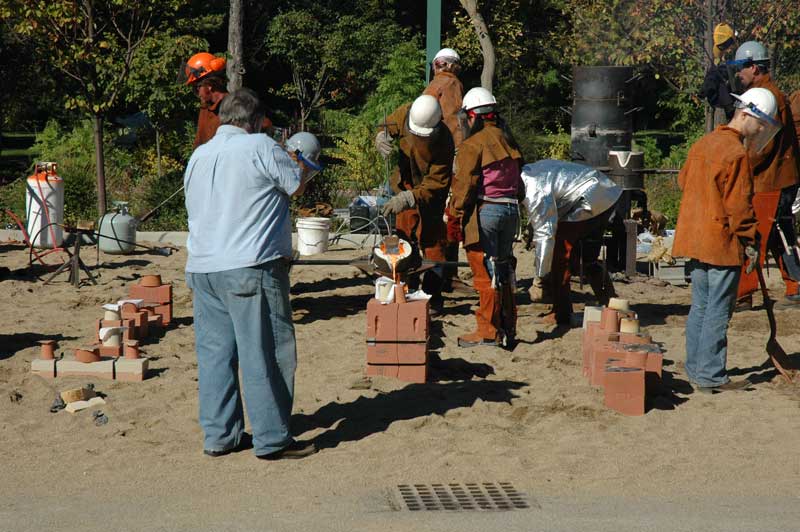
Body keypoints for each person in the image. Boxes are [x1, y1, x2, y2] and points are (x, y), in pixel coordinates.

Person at [183, 88, 318, 460]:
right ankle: (272, 438)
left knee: (215, 355)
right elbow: (295, 184)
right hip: (250, 265)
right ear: (256, 121)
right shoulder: (260, 145)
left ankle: (221, 436)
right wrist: (303, 162)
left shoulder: (200, 154)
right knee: (267, 351)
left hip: (203, 268)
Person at [671, 88, 774, 392]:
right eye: (760, 124)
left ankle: (695, 368)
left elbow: (683, 181)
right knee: (718, 308)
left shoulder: (704, 143)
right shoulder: (736, 153)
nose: (760, 131)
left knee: (700, 306)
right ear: (747, 115)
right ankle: (711, 375)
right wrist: (751, 239)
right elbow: (739, 207)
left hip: (696, 239)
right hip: (721, 243)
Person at [449, 88, 524, 347]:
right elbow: (520, 184)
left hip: (487, 211)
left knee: (484, 273)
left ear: (473, 116)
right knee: (502, 269)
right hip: (511, 211)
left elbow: (465, 184)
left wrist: (454, 214)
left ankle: (488, 332)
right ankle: (508, 327)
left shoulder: (474, 143)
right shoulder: (509, 140)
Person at [729, 41, 800, 309]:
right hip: (779, 178)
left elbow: (762, 146)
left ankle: (743, 294)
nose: (738, 74)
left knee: (755, 235)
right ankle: (795, 286)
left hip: (770, 180)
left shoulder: (767, 97)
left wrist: (738, 165)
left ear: (755, 67)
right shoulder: (767, 93)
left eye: (741, 68)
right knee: (779, 234)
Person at [376, 94, 454, 310]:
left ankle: (432, 295)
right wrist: (381, 136)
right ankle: (401, 287)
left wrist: (409, 197)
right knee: (400, 237)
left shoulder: (444, 140)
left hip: (430, 194)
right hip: (405, 182)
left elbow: (436, 182)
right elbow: (385, 125)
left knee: (433, 243)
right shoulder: (406, 113)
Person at [521, 160, 621, 326]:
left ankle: (562, 313)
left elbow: (545, 234)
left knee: (559, 255)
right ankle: (611, 305)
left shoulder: (533, 188)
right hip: (606, 192)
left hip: (589, 196)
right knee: (587, 258)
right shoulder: (529, 171)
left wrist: (540, 279)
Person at [424, 48, 465, 292]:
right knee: (450, 214)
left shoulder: (440, 84)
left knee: (445, 215)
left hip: (441, 156)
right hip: (451, 157)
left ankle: (446, 274)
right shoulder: (451, 85)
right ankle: (446, 273)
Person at [183, 52, 273, 149]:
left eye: (196, 88)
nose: (197, 93)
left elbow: (266, 125)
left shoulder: (236, 104)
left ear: (208, 86)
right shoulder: (205, 108)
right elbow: (199, 143)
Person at [701, 23, 737, 126]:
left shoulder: (739, 56)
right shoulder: (718, 66)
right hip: (723, 104)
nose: (727, 49)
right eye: (723, 46)